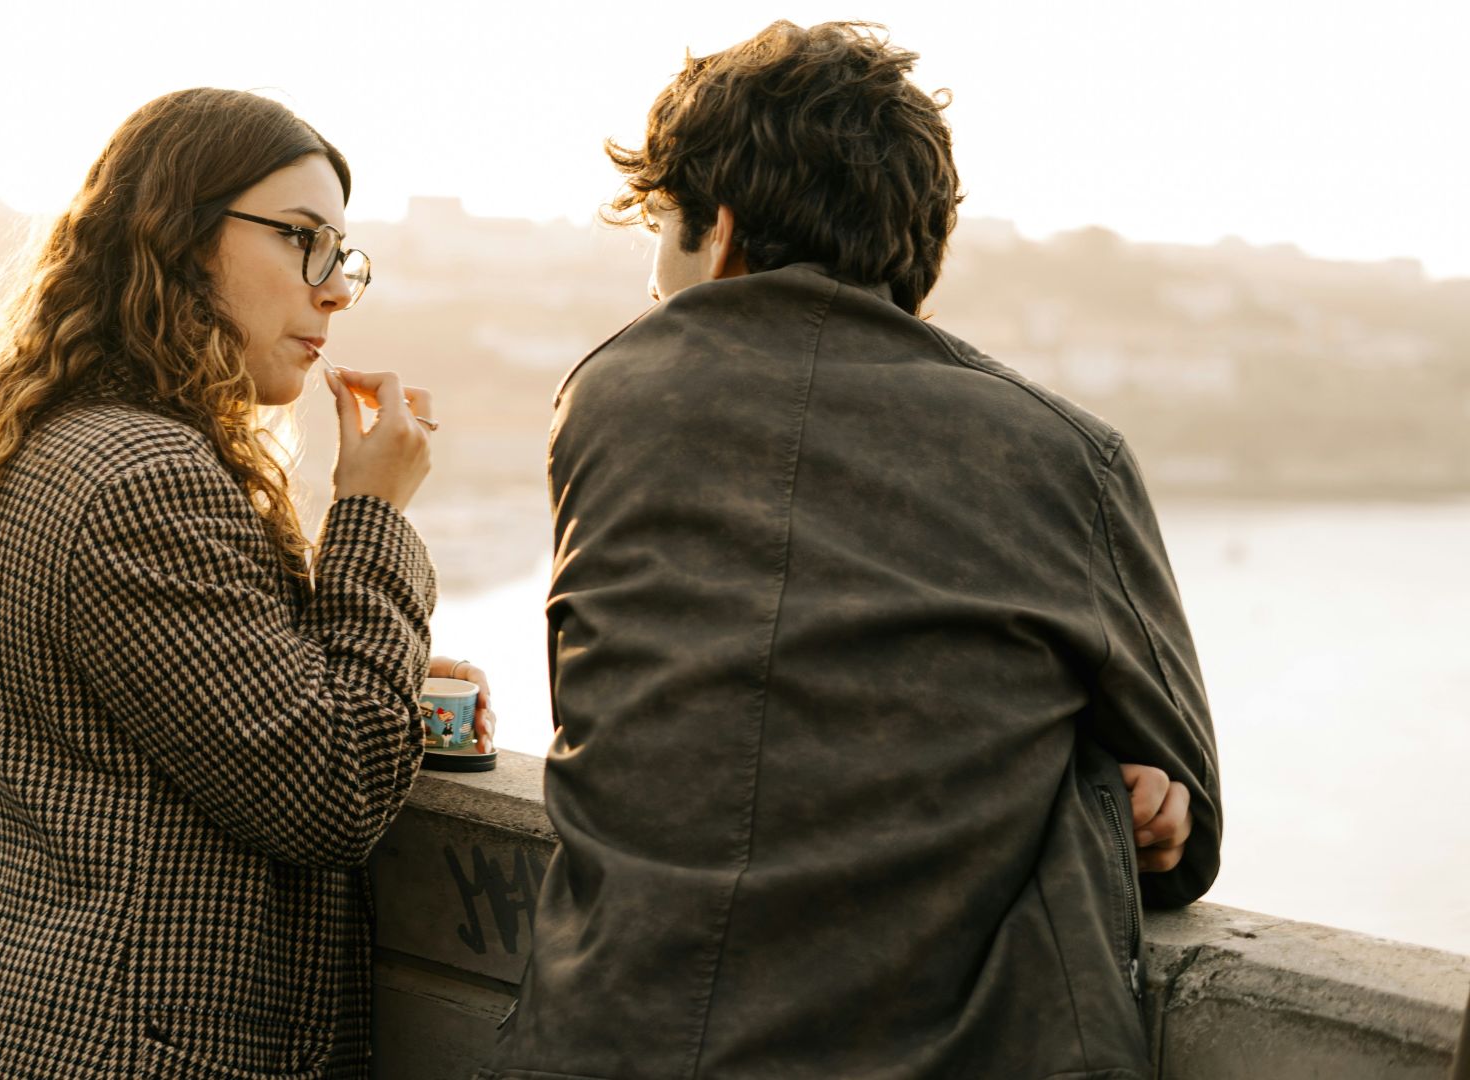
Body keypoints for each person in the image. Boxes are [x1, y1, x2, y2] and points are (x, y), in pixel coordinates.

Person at [482, 21, 1221, 1079]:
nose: (654, 289)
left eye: (662, 235)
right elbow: (1190, 832)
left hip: (603, 1040)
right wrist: (1111, 783)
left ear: (721, 232)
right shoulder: (1065, 457)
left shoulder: (610, 397)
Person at [0, 87, 493, 1079]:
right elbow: (329, 791)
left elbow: (211, 703)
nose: (333, 290)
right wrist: (373, 512)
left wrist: (374, 668)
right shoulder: (145, 479)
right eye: (301, 239)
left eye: (341, 255)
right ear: (178, 236)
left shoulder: (71, 440)